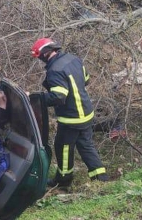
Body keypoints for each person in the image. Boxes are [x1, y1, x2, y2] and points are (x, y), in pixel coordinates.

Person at [28, 37, 109, 187]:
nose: (39, 60)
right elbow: (86, 79)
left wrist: (36, 99)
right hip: (86, 112)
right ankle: (101, 179)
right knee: (86, 145)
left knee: (63, 146)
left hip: (72, 118)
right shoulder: (73, 59)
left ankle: (63, 181)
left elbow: (58, 97)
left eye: (39, 56)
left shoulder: (55, 70)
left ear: (45, 53)